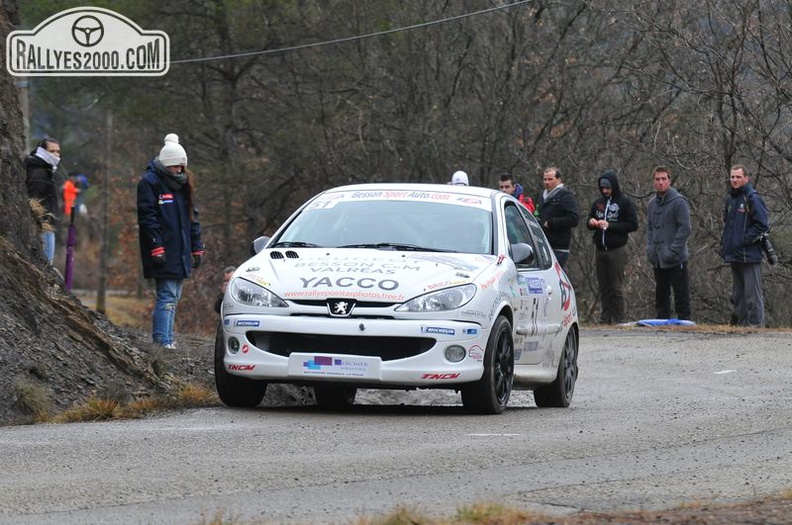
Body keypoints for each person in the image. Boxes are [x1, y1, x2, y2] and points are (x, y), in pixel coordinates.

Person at [137, 133, 205, 349]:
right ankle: (162, 340)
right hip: (163, 250)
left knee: (174, 296)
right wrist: (156, 245)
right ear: (166, 164)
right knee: (166, 295)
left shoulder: (184, 185)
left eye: (182, 166)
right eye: (176, 166)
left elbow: (192, 217)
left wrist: (197, 246)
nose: (179, 170)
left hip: (182, 249)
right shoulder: (149, 183)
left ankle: (168, 338)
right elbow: (147, 218)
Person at [586, 169, 638, 324]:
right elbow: (589, 218)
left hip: (617, 249)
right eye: (603, 188)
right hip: (600, 249)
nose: (605, 191)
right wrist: (591, 222)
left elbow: (632, 224)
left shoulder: (624, 203)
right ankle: (605, 318)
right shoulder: (598, 203)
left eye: (608, 188)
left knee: (616, 287)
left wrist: (611, 226)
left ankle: (619, 318)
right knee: (604, 287)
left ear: (614, 186)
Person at [720, 164, 769, 327]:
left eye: (738, 177)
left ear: (746, 178)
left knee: (752, 295)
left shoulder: (752, 198)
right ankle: (741, 326)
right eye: (732, 177)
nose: (734, 180)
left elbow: (762, 225)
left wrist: (743, 239)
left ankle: (755, 326)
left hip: (749, 255)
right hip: (734, 254)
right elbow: (727, 224)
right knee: (738, 295)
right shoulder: (731, 198)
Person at [646, 166, 692, 320]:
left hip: (676, 258)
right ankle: (662, 327)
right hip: (658, 259)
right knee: (661, 297)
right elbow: (650, 228)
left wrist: (673, 251)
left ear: (669, 180)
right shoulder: (651, 204)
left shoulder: (679, 201)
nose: (660, 182)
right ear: (653, 182)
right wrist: (650, 249)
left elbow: (685, 228)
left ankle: (684, 326)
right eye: (657, 179)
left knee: (681, 296)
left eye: (664, 179)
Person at [24, 137, 63, 264]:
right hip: (43, 225)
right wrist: (43, 222)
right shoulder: (39, 172)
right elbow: (35, 199)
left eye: (58, 151)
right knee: (46, 264)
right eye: (52, 151)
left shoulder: (47, 170)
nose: (56, 155)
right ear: (42, 151)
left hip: (47, 223)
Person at [536, 166, 579, 268]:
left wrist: (552, 223)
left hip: (558, 247)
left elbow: (574, 219)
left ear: (559, 180)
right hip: (543, 245)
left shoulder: (565, 196)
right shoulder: (543, 196)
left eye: (550, 179)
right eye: (545, 179)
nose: (547, 182)